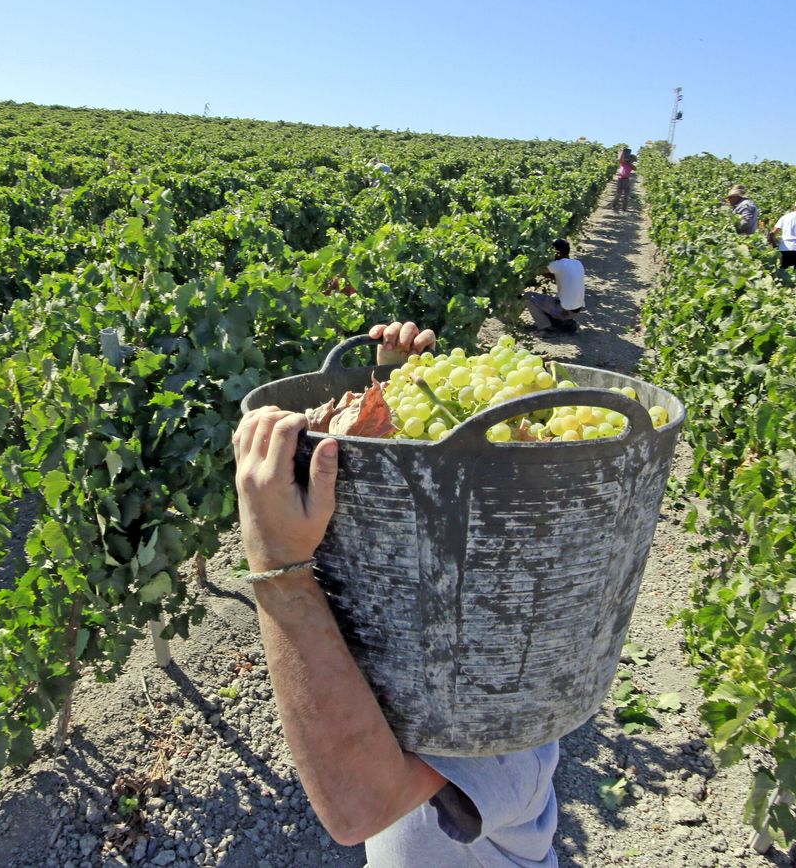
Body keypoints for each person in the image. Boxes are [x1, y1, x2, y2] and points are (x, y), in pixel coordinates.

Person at [235, 320, 560, 866]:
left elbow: (358, 808)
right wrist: (391, 401)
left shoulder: (508, 709)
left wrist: (277, 562)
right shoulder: (465, 611)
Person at [525, 239, 585, 334]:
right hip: (575, 310)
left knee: (528, 297)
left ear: (558, 253)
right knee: (552, 302)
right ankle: (564, 323)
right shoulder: (577, 263)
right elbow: (557, 276)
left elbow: (538, 270)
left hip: (563, 311)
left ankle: (546, 328)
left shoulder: (559, 264)